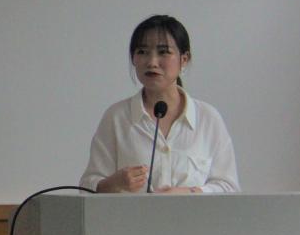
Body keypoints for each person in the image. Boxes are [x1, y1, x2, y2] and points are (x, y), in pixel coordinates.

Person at [80, 15, 240, 193]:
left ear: (184, 59)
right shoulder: (117, 117)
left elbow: (229, 187)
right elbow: (87, 186)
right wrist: (112, 184)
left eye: (163, 52)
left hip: (194, 213)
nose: (152, 62)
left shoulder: (208, 118)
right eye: (142, 52)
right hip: (131, 213)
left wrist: (191, 192)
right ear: (133, 59)